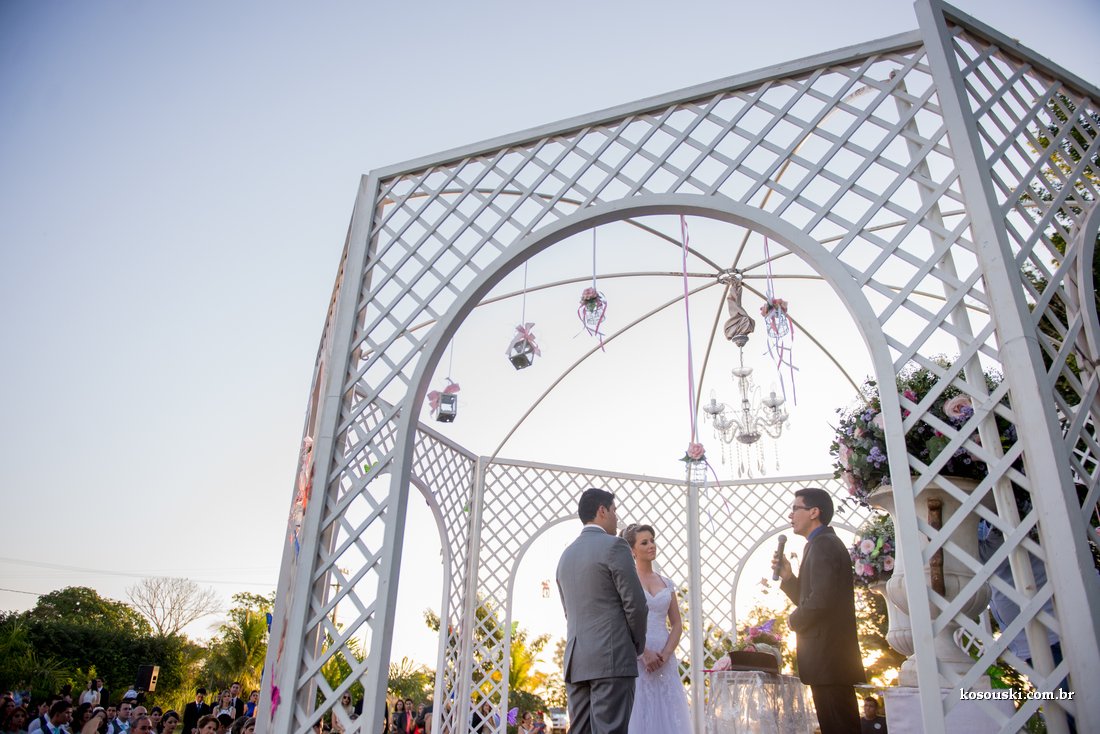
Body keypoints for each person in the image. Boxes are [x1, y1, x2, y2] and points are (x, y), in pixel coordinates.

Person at [772, 486, 865, 734]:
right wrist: (788, 577)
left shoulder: (824, 544)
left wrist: (793, 620)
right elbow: (811, 597)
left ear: (814, 512)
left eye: (795, 509)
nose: (790, 515)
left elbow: (822, 600)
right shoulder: (816, 544)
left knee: (840, 727)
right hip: (826, 661)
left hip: (830, 659)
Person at [556, 487, 648, 734]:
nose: (617, 518)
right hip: (612, 657)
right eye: (615, 511)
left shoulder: (565, 556)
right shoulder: (615, 546)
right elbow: (636, 604)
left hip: (577, 661)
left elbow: (568, 612)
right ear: (602, 511)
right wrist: (636, 645)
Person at [619, 523, 692, 733]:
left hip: (664, 656)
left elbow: (677, 623)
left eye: (652, 540)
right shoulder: (627, 581)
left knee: (669, 712)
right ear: (632, 550)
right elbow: (623, 622)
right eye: (644, 542)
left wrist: (666, 654)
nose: (651, 545)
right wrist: (644, 653)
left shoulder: (666, 583)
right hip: (638, 656)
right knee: (641, 711)